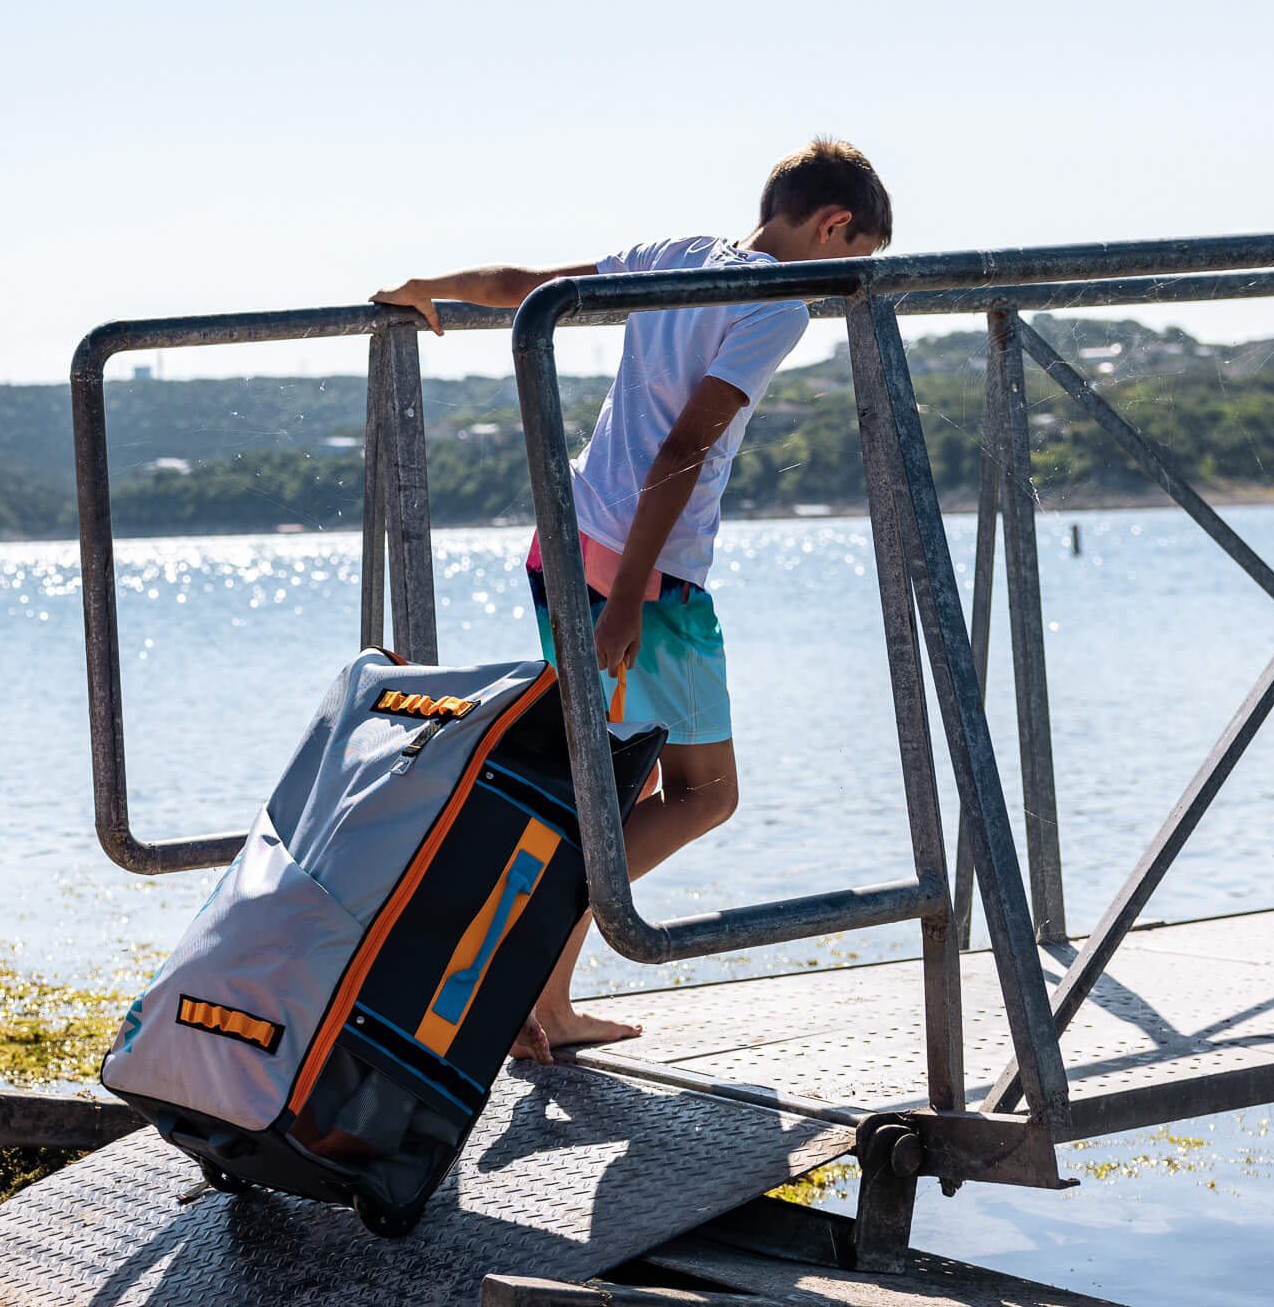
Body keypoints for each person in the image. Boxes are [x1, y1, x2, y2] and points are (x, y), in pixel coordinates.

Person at [373, 137, 891, 1060]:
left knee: (617, 787)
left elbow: (527, 283)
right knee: (706, 791)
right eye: (856, 265)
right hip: (643, 579)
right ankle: (527, 971)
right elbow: (684, 449)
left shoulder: (673, 255)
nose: (850, 287)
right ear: (833, 224)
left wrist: (427, 285)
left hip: (566, 544)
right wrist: (623, 607)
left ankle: (547, 1006)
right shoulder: (777, 302)